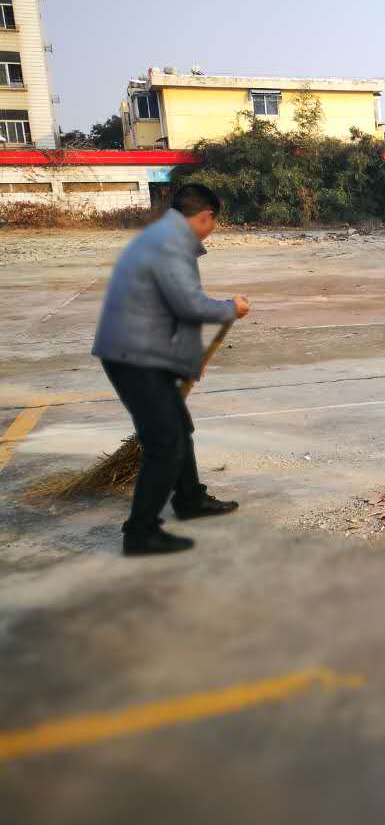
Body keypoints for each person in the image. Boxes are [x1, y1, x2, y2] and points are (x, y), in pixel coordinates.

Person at [92, 184, 251, 556]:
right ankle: (140, 533)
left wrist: (186, 360)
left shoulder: (163, 236)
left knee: (179, 428)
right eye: (213, 222)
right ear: (206, 216)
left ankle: (190, 499)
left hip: (142, 349)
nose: (212, 229)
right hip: (134, 356)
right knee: (165, 443)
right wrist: (231, 308)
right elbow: (188, 305)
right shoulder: (170, 245)